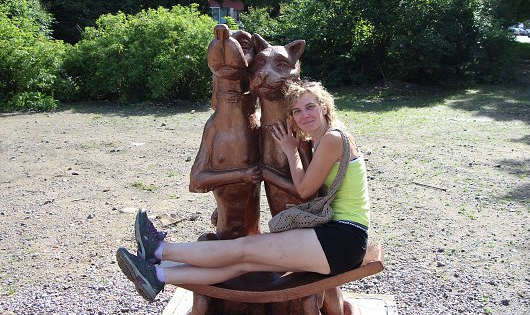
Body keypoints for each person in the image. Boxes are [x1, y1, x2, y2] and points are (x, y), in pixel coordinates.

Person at [116, 80, 370, 302]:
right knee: (244, 263)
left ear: (324, 107)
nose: (304, 115)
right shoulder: (324, 138)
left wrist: (291, 151)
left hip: (343, 239)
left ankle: (158, 249)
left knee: (244, 247)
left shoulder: (333, 139)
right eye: (297, 111)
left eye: (310, 107)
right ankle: (157, 276)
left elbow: (304, 189)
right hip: (340, 240)